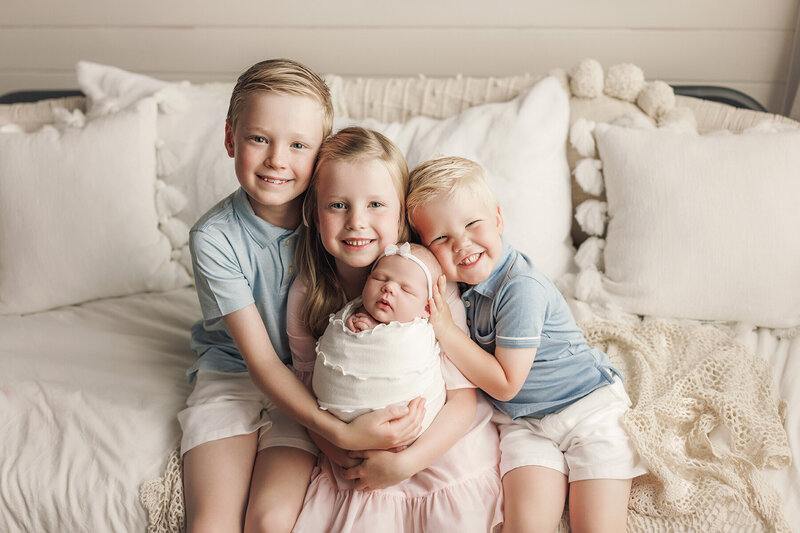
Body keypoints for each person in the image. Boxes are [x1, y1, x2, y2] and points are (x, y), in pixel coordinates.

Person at [177, 59, 425, 533]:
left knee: (270, 519)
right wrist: (337, 432)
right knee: (210, 522)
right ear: (230, 138)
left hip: (314, 376)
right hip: (234, 375)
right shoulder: (214, 237)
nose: (277, 160)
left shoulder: (341, 222)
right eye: (258, 138)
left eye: (298, 145)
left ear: (321, 154)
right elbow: (263, 365)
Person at [407, 155, 648, 533]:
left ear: (498, 219)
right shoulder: (456, 289)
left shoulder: (521, 287)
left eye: (473, 224)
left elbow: (506, 382)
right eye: (441, 238)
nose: (462, 244)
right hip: (525, 423)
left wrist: (446, 331)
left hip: (587, 409)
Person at [288, 127, 503, 532]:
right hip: (350, 449)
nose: (357, 222)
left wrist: (405, 463)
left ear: (401, 214)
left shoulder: (428, 281)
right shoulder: (308, 290)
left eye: (375, 204)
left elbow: (462, 399)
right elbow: (305, 388)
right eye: (337, 205)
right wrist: (337, 448)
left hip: (435, 445)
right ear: (313, 214)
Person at [312, 242, 446, 434]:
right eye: (380, 278)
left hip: (408, 427)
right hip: (333, 426)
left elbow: (403, 350)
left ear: (426, 308)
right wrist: (355, 330)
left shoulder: (419, 332)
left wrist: (378, 332)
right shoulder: (350, 312)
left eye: (406, 289)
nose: (389, 287)